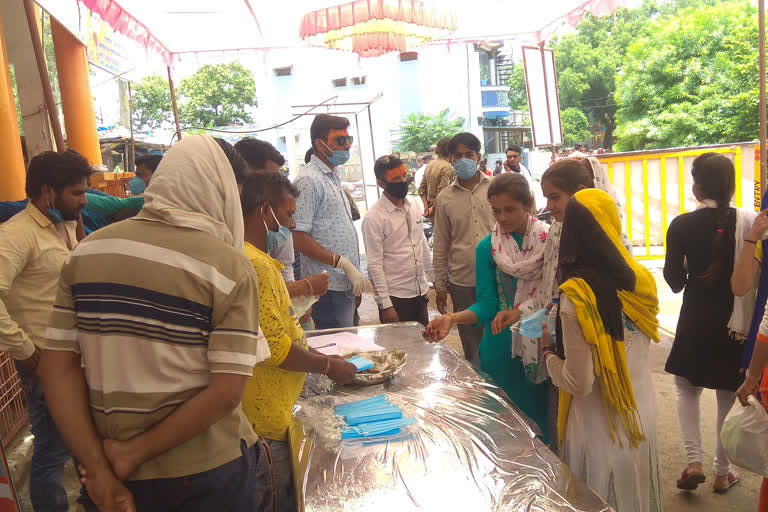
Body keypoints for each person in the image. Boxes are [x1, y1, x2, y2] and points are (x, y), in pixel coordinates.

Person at [39, 136, 271, 511]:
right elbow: (228, 391)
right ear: (221, 190)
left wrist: (98, 469)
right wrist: (134, 451)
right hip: (204, 471)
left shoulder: (87, 252)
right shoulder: (228, 266)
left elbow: (57, 369)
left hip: (110, 470)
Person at [240, 171, 356, 512]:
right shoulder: (257, 266)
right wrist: (327, 366)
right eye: (288, 214)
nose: (291, 224)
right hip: (265, 421)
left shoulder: (261, 263)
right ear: (265, 212)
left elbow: (284, 329)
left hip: (272, 411)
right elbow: (275, 350)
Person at [541, 188, 662, 512]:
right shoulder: (642, 281)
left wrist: (547, 353)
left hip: (597, 428)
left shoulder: (577, 297)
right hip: (640, 414)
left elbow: (579, 383)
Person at [425, 172, 550, 440]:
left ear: (528, 204)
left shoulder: (550, 242)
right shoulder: (488, 248)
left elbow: (555, 298)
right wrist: (452, 318)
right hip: (500, 348)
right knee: (504, 436)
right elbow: (487, 305)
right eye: (496, 211)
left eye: (510, 209)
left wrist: (521, 312)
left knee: (543, 431)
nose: (502, 218)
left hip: (543, 347)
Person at [0, 150, 90, 512]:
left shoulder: (66, 226)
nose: (84, 201)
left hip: (76, 358)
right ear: (47, 192)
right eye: (76, 193)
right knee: (53, 452)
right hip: (44, 364)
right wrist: (25, 350)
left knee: (80, 444)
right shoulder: (16, 236)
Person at [664, 152, 751, 493]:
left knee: (687, 388)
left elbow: (673, 281)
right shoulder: (749, 221)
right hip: (734, 321)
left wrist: (690, 267)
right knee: (727, 394)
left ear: (697, 187)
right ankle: (721, 471)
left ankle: (693, 461)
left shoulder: (682, 224)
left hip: (695, 318)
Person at [234, 137, 330, 328]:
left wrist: (298, 302)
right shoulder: (231, 231)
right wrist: (304, 288)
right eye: (267, 178)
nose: (274, 185)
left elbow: (285, 266)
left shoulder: (279, 222)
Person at [293, 114, 364, 329]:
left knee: (352, 346)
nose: (346, 146)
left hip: (344, 283)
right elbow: (298, 237)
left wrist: (352, 273)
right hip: (327, 286)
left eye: (348, 140)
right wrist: (339, 262)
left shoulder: (331, 175)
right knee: (338, 349)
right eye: (339, 141)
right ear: (320, 144)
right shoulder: (309, 179)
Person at [431, 132, 495, 367]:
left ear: (478, 157)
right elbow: (441, 244)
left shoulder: (496, 188)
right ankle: (481, 393)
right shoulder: (445, 198)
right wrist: (439, 284)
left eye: (469, 154)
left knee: (501, 341)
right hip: (463, 282)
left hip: (498, 278)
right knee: (472, 347)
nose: (463, 160)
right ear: (450, 160)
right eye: (457, 156)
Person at [362, 155, 433, 326]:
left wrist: (435, 280)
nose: (403, 181)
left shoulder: (413, 206)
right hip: (396, 298)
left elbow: (421, 244)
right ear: (381, 183)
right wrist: (386, 305)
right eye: (395, 178)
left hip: (419, 292)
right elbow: (374, 265)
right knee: (399, 350)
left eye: (404, 175)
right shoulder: (374, 217)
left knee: (422, 346)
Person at [423, 137, 454, 220]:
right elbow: (442, 193)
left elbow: (422, 188)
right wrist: (433, 209)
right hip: (443, 212)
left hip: (431, 211)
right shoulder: (447, 167)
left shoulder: (430, 164)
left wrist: (426, 207)